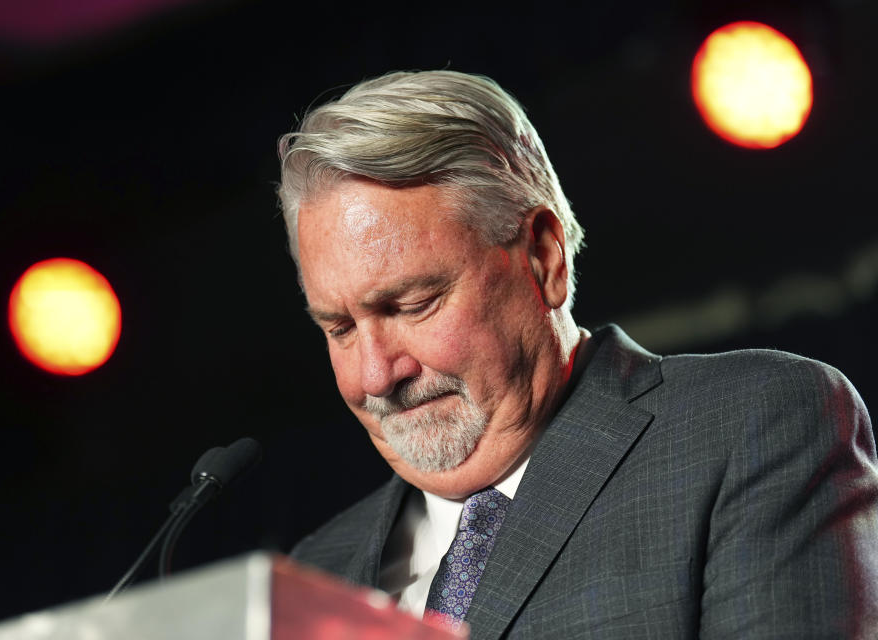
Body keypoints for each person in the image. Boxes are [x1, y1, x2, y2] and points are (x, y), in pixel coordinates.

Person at [275, 70, 878, 638]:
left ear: (543, 259)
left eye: (413, 305)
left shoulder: (751, 428)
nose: (376, 376)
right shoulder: (311, 570)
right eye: (340, 328)